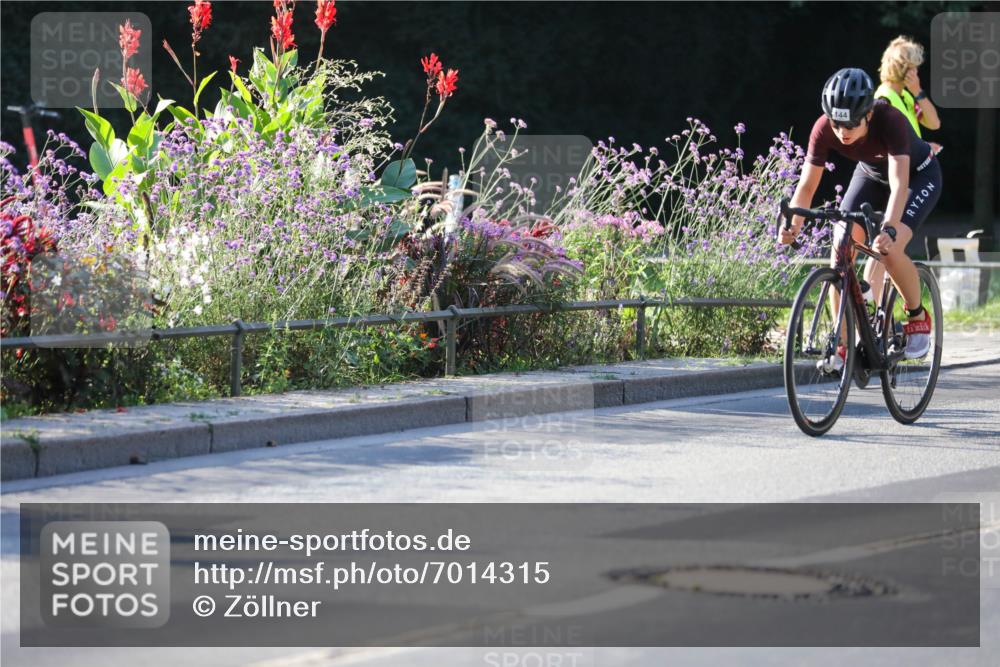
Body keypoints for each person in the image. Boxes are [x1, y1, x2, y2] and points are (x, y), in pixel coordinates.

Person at [778, 67, 942, 370]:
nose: (843, 130)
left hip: (917, 177)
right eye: (838, 122)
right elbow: (807, 185)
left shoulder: (889, 120)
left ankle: (918, 316)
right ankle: (842, 346)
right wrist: (793, 226)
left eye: (852, 122)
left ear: (868, 115)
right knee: (839, 253)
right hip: (868, 174)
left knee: (888, 249)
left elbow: (899, 184)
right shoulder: (823, 128)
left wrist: (890, 229)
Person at [875, 36, 942, 152]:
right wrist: (924, 148)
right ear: (904, 69)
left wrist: (918, 92)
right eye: (914, 67)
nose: (916, 71)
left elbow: (934, 124)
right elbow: (887, 144)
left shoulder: (906, 96)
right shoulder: (884, 99)